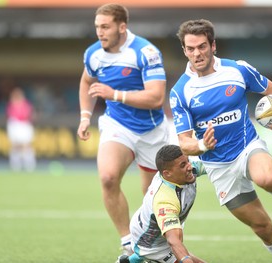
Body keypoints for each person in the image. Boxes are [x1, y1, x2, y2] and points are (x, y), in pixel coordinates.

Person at [170, 19, 272, 262]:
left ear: (213, 46)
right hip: (219, 168)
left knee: (266, 178)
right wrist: (202, 146)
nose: (196, 53)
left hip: (248, 146)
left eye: (201, 46)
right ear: (184, 50)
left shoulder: (238, 70)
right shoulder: (181, 92)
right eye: (190, 49)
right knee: (263, 229)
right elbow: (184, 142)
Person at [76, 3, 169, 256]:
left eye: (105, 27)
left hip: (152, 132)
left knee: (153, 196)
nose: (100, 32)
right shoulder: (93, 54)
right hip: (118, 125)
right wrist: (85, 117)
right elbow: (86, 82)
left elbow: (156, 98)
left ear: (122, 27)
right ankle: (128, 242)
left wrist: (113, 94)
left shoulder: (146, 52)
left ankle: (153, 244)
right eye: (97, 27)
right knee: (107, 178)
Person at [117, 145, 206, 263]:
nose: (190, 167)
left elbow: (215, 166)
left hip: (151, 224)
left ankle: (129, 261)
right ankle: (145, 256)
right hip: (150, 242)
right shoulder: (165, 200)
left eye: (187, 161)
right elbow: (174, 241)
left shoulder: (183, 172)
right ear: (167, 173)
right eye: (183, 165)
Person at [6, 87, 36, 172]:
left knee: (26, 145)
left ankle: (29, 164)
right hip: (15, 126)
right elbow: (11, 117)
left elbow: (29, 115)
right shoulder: (11, 105)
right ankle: (16, 165)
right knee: (15, 146)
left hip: (25, 125)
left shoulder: (26, 105)